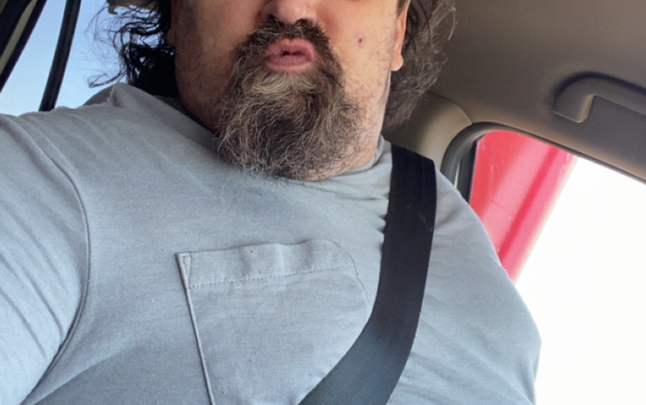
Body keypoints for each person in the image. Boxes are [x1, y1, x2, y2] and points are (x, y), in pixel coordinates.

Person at [0, 0, 539, 404]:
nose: (290, 7)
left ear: (398, 30)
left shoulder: (450, 218)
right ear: (178, 14)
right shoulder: (45, 174)